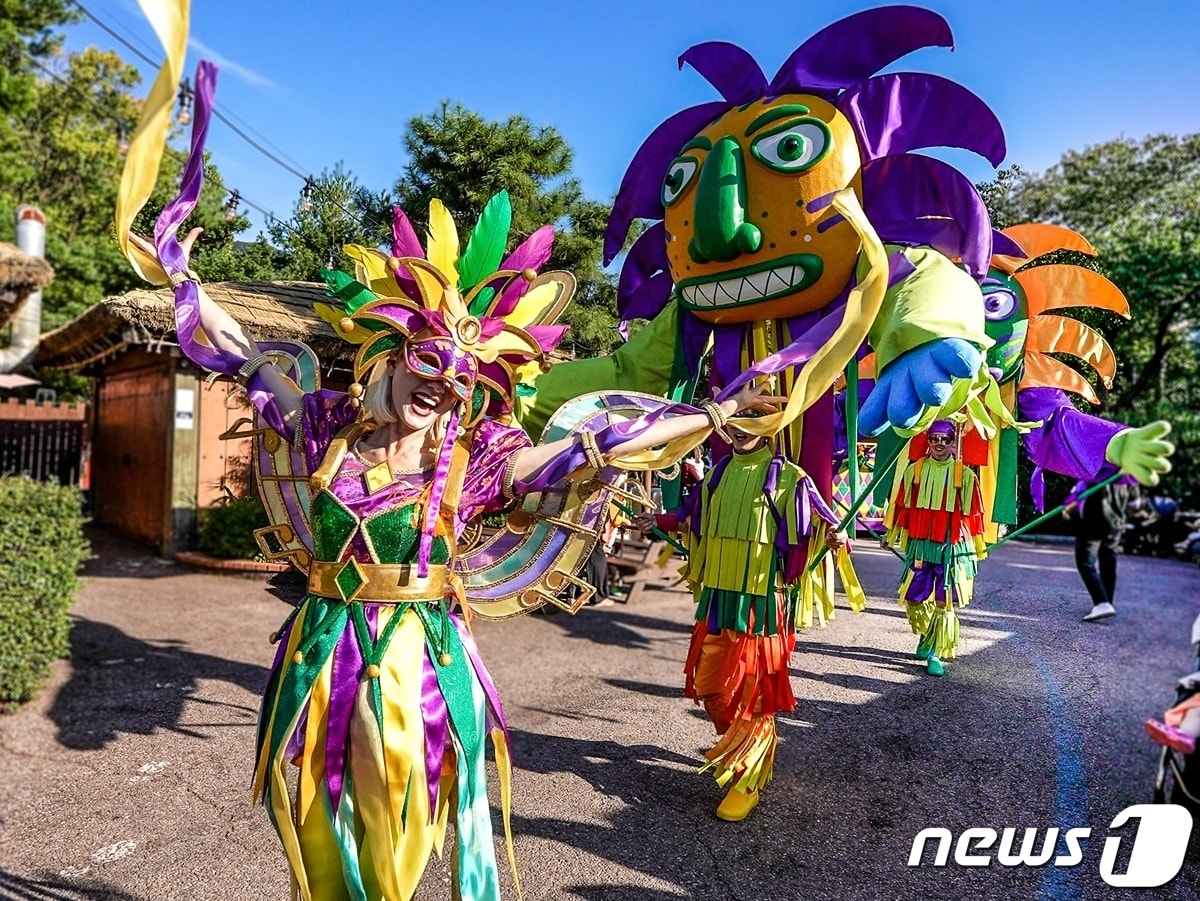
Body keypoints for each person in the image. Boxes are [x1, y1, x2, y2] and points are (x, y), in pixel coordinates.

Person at [130, 221, 766, 901]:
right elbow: (248, 357)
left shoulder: (479, 459)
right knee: (317, 821)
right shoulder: (327, 429)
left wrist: (713, 414)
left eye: (462, 379)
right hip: (321, 649)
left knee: (398, 823)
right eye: (429, 360)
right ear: (394, 357)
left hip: (413, 661)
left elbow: (597, 444)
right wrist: (182, 280)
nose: (441, 385)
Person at [633, 421, 858, 822]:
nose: (741, 428)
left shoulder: (789, 477)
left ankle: (747, 778)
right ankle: (747, 749)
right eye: (737, 416)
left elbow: (821, 524)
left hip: (761, 604)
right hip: (719, 598)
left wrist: (835, 537)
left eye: (754, 417)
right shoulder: (717, 473)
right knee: (709, 685)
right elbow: (692, 515)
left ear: (772, 423)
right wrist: (660, 521)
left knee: (753, 692)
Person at [882, 420, 987, 677]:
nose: (939, 444)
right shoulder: (913, 471)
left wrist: (976, 546)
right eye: (934, 438)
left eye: (945, 439)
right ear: (928, 441)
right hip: (921, 545)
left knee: (944, 599)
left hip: (950, 548)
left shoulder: (966, 475)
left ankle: (935, 652)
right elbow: (903, 506)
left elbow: (973, 516)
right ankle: (927, 635)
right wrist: (891, 534)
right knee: (914, 595)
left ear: (953, 442)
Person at [1064, 477, 1134, 622]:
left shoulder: (1097, 466)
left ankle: (1102, 603)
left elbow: (1084, 493)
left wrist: (1069, 508)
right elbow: (1134, 501)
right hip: (1115, 522)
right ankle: (1107, 601)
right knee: (1108, 559)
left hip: (1094, 521)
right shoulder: (1125, 469)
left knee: (1085, 562)